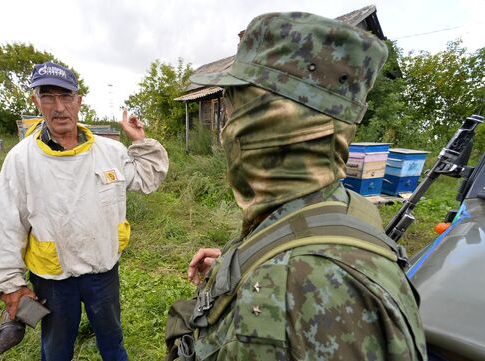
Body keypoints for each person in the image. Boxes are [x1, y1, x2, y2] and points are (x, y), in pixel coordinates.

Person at [170, 12, 427, 361]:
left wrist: (281, 275)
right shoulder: (341, 206)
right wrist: (240, 265)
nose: (226, 126)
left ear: (272, 122)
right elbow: (302, 239)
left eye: (233, 106)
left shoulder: (309, 288)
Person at [0, 61, 168, 361]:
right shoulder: (21, 160)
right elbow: (5, 225)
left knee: (113, 343)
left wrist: (140, 141)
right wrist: (10, 286)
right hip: (54, 278)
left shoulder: (109, 152)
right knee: (56, 351)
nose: (59, 107)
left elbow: (147, 178)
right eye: (48, 97)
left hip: (103, 270)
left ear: (79, 101)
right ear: (36, 101)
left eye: (66, 97)